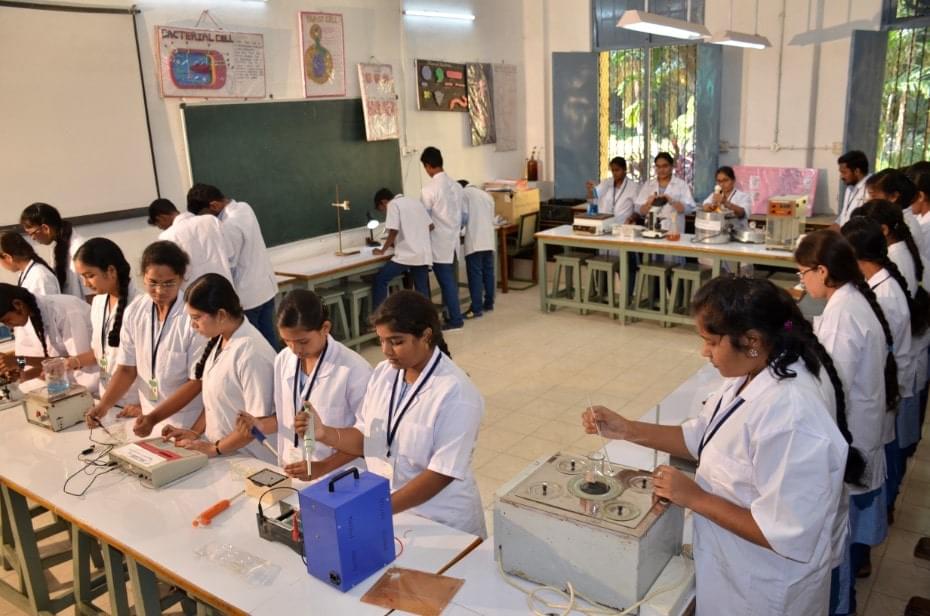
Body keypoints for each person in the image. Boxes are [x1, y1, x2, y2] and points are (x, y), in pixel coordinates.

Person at [581, 276, 854, 615]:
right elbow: (701, 437)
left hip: (765, 587)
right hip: (732, 568)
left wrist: (694, 496)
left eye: (711, 342)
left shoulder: (792, 415)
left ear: (751, 339)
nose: (704, 352)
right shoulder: (753, 370)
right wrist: (627, 429)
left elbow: (784, 533)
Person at [295, 290, 485, 537]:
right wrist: (325, 433)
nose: (386, 350)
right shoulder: (385, 374)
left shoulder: (456, 393)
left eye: (396, 342)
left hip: (440, 519)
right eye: (382, 340)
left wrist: (376, 508)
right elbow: (368, 438)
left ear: (426, 336)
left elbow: (440, 474)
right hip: (390, 509)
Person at [794, 230, 896, 615]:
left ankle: (843, 603)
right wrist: (791, 327)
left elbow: (831, 383)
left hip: (851, 432)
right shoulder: (848, 299)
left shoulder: (843, 311)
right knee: (845, 532)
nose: (802, 282)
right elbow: (823, 342)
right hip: (861, 427)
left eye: (804, 274)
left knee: (840, 540)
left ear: (822, 270)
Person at [235, 289, 372, 479]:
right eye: (287, 341)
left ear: (325, 328)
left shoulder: (354, 370)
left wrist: (324, 466)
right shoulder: (284, 359)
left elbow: (366, 439)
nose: (295, 349)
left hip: (338, 475)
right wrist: (261, 424)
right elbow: (288, 416)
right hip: (292, 468)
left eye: (303, 341)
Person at [841, 218, 925, 526]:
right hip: (880, 399)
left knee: (867, 493)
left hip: (876, 402)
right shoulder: (876, 285)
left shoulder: (882, 295)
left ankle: (865, 547)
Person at [85, 242, 206, 436]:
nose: (159, 291)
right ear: (143, 278)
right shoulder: (136, 311)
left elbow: (196, 382)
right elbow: (126, 368)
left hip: (184, 421)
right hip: (148, 420)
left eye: (168, 283)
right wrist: (103, 406)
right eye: (153, 283)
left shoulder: (192, 318)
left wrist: (153, 418)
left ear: (182, 278)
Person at [161, 274, 277, 462]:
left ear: (221, 315)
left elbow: (254, 425)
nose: (192, 325)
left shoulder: (252, 353)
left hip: (252, 459)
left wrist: (216, 448)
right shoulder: (221, 339)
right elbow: (214, 406)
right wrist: (194, 433)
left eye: (197, 317)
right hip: (226, 453)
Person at [187, 184, 278, 349]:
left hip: (249, 297)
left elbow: (228, 261)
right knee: (269, 340)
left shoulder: (228, 226)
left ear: (214, 205)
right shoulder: (244, 207)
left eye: (204, 215)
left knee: (254, 345)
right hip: (266, 288)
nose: (205, 221)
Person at [73, 239, 139, 407]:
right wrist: (70, 363)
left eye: (90, 275)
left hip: (134, 401)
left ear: (111, 271)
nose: (86, 284)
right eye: (82, 277)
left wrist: (143, 407)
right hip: (108, 398)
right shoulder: (98, 303)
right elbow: (100, 352)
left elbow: (152, 363)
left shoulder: (140, 306)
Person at [0, 284, 97, 390]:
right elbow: (48, 363)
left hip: (94, 384)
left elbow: (79, 360)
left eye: (7, 320)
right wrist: (23, 374)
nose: (9, 326)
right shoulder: (28, 318)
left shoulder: (65, 310)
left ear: (18, 305)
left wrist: (19, 360)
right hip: (68, 386)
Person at [419, 147, 465, 330]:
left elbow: (425, 221)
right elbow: (463, 215)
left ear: (428, 166)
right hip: (453, 240)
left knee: (447, 283)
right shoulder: (456, 186)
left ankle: (455, 319)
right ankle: (451, 314)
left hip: (438, 242)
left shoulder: (429, 190)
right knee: (451, 282)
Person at [147, 198, 233, 286]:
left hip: (194, 293)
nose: (162, 229)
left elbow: (171, 273)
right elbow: (230, 253)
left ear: (161, 218)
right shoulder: (211, 220)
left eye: (160, 226)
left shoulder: (167, 237)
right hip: (225, 288)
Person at [371, 188, 432, 308]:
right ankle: (428, 320)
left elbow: (393, 231)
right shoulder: (414, 202)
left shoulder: (393, 204)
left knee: (380, 279)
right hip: (423, 253)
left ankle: (379, 319)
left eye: (382, 210)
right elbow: (430, 226)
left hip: (407, 255)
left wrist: (382, 250)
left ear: (384, 202)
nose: (384, 213)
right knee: (422, 289)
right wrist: (413, 236)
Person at [19, 203, 90, 300]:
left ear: (45, 228)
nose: (33, 238)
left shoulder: (79, 248)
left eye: (32, 233)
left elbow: (92, 292)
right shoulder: (57, 247)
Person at [863, 169, 925, 259]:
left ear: (893, 196)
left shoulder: (906, 225)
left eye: (873, 196)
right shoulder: (893, 220)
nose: (868, 201)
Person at [458, 180, 496, 318]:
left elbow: (463, 217)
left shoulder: (463, 194)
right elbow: (491, 218)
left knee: (475, 275)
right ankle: (489, 303)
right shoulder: (486, 195)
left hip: (474, 241)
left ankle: (476, 308)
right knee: (488, 273)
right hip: (488, 240)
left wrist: (457, 229)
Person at [634, 152, 695, 236]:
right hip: (651, 231)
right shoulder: (648, 185)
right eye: (658, 167)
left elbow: (689, 209)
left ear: (672, 166)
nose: (661, 170)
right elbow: (639, 210)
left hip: (674, 232)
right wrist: (648, 204)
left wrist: (672, 201)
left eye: (665, 166)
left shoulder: (681, 185)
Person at [585, 156, 640, 223]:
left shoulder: (633, 187)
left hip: (622, 224)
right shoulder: (606, 183)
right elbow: (593, 199)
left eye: (617, 170)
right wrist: (590, 190)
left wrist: (631, 219)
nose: (614, 173)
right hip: (604, 222)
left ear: (624, 169)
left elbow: (638, 210)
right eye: (612, 170)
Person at [701, 165, 752, 230]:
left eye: (725, 180)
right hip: (719, 233)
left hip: (738, 233)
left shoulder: (743, 196)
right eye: (719, 181)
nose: (722, 184)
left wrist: (725, 203)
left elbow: (742, 213)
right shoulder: (715, 195)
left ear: (733, 180)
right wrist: (712, 206)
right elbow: (705, 206)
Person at [835, 150, 870, 227]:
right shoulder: (849, 187)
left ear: (857, 171)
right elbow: (842, 218)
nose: (841, 177)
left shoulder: (871, 188)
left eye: (844, 172)